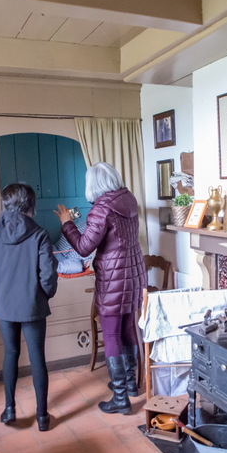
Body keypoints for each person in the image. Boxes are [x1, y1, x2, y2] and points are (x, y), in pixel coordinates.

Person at [55, 162, 145, 415]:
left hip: (114, 277)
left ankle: (120, 398)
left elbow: (84, 247)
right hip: (133, 272)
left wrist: (67, 223)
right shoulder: (128, 199)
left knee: (112, 334)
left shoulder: (101, 209)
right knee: (127, 328)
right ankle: (129, 384)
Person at [0, 183, 58, 431]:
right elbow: (48, 274)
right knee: (37, 358)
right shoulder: (39, 235)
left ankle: (10, 409)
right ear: (30, 205)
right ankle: (42, 416)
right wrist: (43, 295)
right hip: (32, 305)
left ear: (5, 204)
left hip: (4, 306)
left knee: (10, 353)